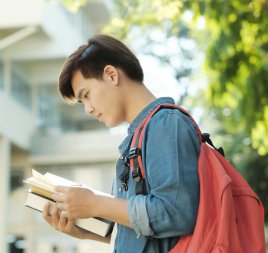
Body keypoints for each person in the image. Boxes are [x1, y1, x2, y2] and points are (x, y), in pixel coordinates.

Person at [42, 34, 200, 253]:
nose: (87, 108)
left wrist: (96, 203)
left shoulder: (165, 124)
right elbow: (146, 234)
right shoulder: (136, 140)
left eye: (86, 95)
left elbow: (177, 213)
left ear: (111, 75)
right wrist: (84, 230)